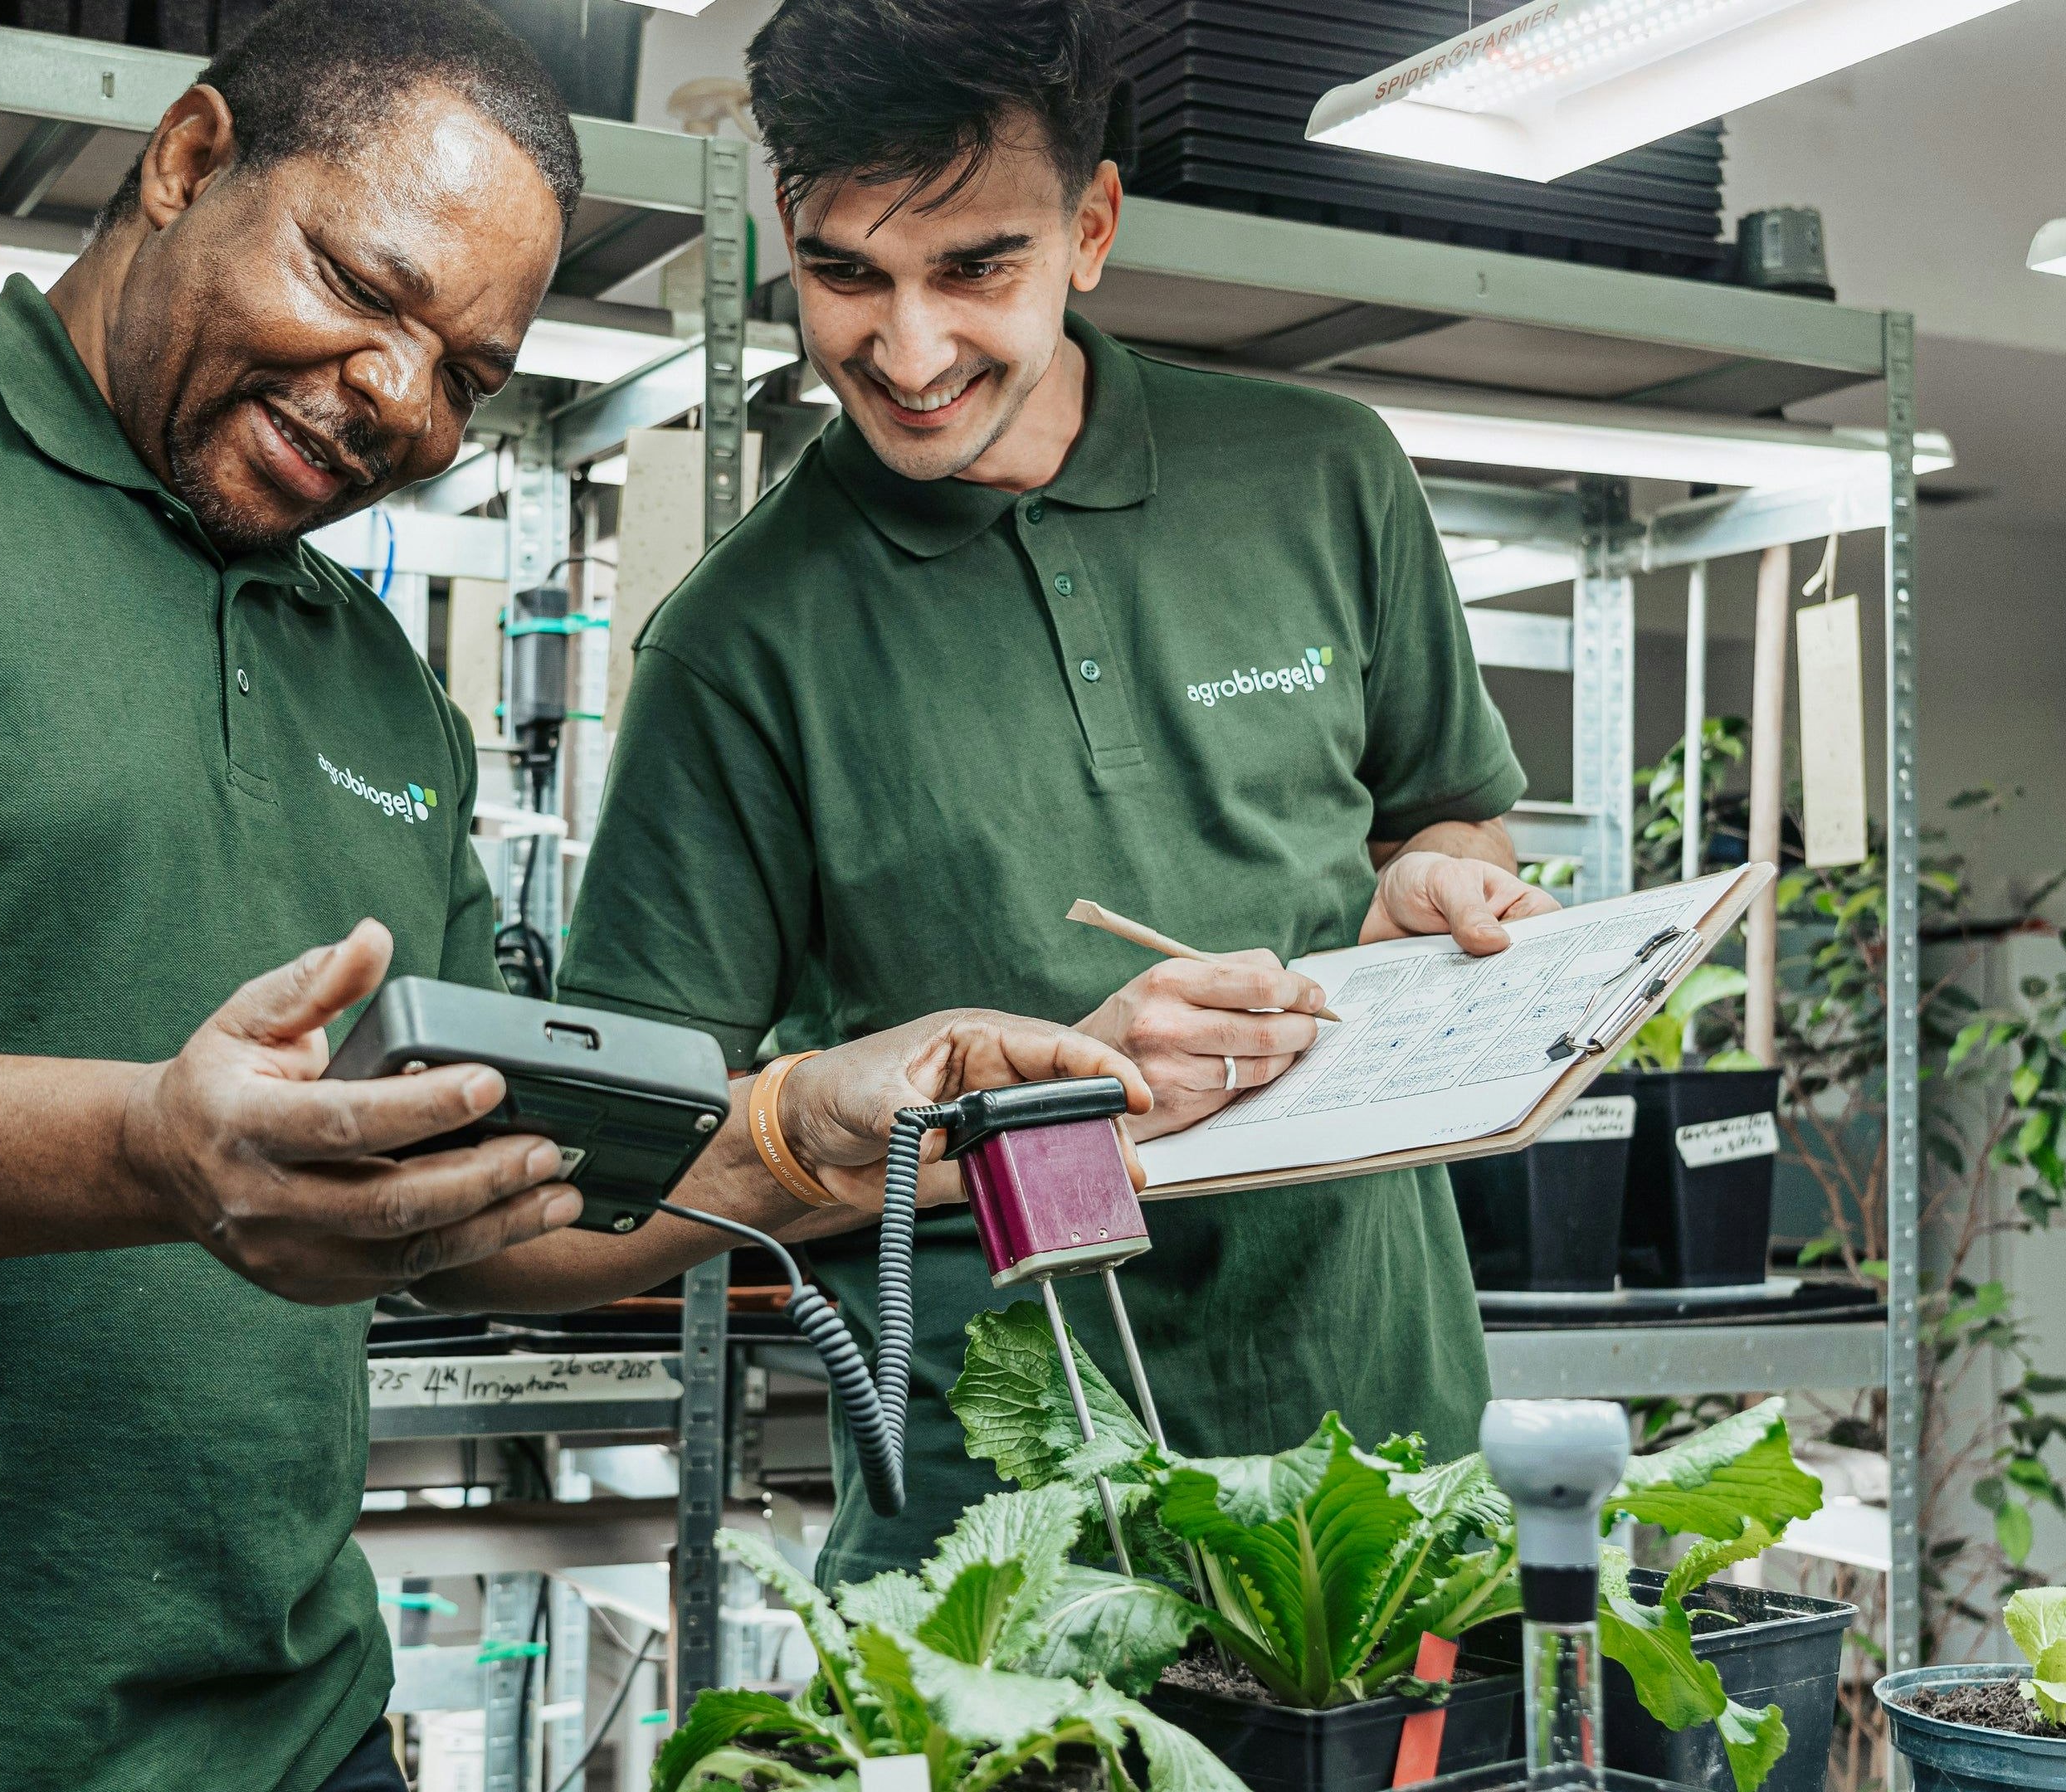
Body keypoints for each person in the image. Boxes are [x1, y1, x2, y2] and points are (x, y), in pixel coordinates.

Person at [0, 4, 1143, 1787]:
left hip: (290, 1739)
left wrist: (826, 1124)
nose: (402, 401)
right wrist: (151, 1153)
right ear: (187, 161)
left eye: (470, 373)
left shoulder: (381, 689)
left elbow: (494, 1200)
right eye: (360, 288)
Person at [557, 0, 1562, 1588]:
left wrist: (1430, 890)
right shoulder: (738, 643)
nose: (907, 352)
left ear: (1091, 226)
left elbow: (1445, 820)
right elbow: (618, 1172)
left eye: (975, 269)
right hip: (1002, 1517)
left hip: (1385, 1453)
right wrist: (1004, 1102)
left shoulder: (1323, 473)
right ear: (783, 235)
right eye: (844, 274)